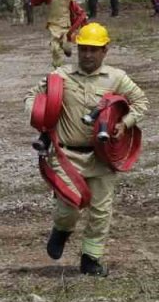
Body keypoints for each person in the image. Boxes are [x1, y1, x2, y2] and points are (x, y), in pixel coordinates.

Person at [25, 23, 147, 276]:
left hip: (103, 157)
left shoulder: (117, 78)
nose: (88, 55)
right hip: (66, 154)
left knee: (101, 210)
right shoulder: (59, 76)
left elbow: (141, 102)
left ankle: (91, 258)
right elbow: (32, 97)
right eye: (84, 49)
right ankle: (61, 229)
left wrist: (125, 124)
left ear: (105, 50)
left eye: (94, 50)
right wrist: (41, 117)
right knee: (68, 207)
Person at [31, 0, 82, 68]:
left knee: (67, 47)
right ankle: (58, 67)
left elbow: (77, 11)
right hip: (54, 25)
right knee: (55, 48)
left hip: (66, 26)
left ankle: (67, 49)